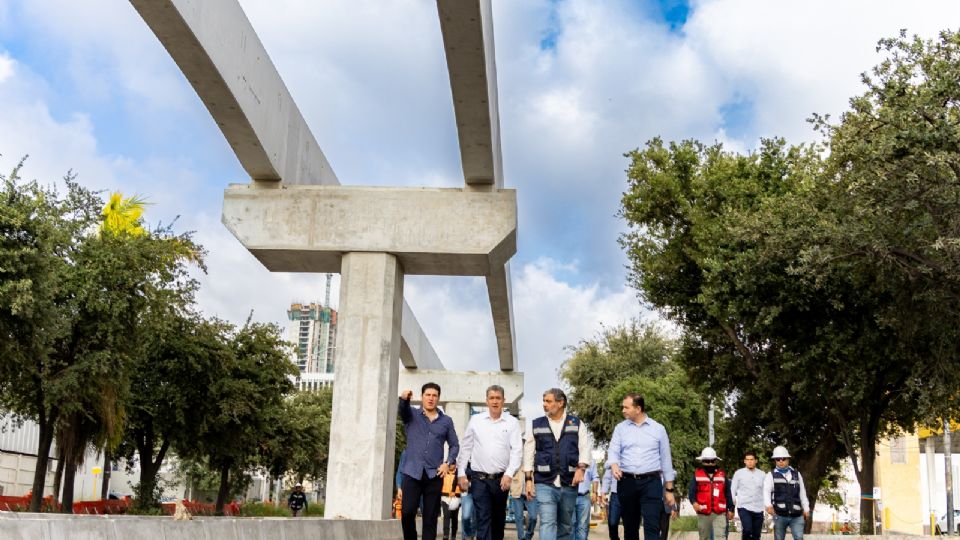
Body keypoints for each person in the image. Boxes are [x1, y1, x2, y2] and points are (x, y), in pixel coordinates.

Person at [523, 388, 593, 540]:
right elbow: (528, 452)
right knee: (547, 522)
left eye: (548, 401)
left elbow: (584, 447)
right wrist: (528, 480)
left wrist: (581, 469)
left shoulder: (576, 423)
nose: (544, 404)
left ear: (560, 403)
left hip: (569, 483)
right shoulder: (536, 424)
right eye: (544, 401)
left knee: (565, 526)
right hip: (544, 482)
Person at [606, 393, 677, 540]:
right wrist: (614, 465)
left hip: (651, 483)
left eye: (626, 407)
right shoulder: (620, 429)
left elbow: (666, 460)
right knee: (630, 529)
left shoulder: (658, 429)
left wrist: (669, 490)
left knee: (652, 527)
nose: (623, 410)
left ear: (638, 409)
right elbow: (613, 450)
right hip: (627, 482)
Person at [457, 385, 523, 540]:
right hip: (479, 480)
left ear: (503, 401)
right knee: (483, 519)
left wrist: (509, 474)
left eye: (498, 398)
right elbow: (466, 448)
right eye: (492, 398)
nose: (495, 401)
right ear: (486, 401)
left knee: (498, 522)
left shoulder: (512, 423)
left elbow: (517, 451)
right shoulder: (476, 420)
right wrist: (461, 473)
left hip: (501, 481)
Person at [399, 383, 460, 540]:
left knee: (430, 518)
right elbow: (403, 410)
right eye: (428, 395)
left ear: (438, 398)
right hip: (412, 472)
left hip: (434, 475)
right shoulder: (412, 415)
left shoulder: (446, 421)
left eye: (434, 395)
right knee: (407, 512)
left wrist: (448, 462)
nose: (431, 398)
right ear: (422, 396)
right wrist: (404, 399)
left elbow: (454, 445)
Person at [763, 446, 809, 540]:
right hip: (779, 515)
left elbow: (802, 493)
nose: (780, 461)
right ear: (775, 460)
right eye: (778, 459)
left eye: (783, 459)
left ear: (788, 459)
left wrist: (806, 509)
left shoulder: (797, 474)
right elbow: (766, 491)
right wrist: (768, 505)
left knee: (799, 538)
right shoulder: (770, 475)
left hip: (797, 515)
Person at [687, 447, 733, 540]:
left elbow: (728, 493)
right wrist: (694, 502)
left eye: (712, 461)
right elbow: (691, 492)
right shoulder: (697, 475)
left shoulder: (722, 475)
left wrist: (731, 509)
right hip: (703, 512)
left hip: (720, 513)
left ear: (716, 461)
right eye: (707, 461)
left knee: (721, 537)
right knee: (704, 537)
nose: (710, 464)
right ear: (702, 461)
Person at [731, 451, 766, 540]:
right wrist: (732, 502)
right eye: (747, 460)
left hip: (758, 508)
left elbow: (766, 490)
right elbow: (733, 489)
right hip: (744, 507)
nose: (750, 462)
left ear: (756, 461)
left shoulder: (762, 474)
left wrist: (768, 504)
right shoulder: (738, 473)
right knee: (747, 530)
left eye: (752, 459)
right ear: (744, 461)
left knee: (756, 535)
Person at [509, 469, 538, 540]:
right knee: (519, 517)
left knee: (533, 517)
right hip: (516, 490)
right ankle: (521, 538)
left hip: (532, 491)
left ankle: (528, 536)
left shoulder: (532, 458)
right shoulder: (516, 458)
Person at [574, 461, 599, 540]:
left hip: (584, 497)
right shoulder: (570, 454)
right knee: (570, 525)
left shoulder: (590, 460)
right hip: (569, 496)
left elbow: (595, 477)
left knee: (582, 526)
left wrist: (595, 492)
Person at [600, 466, 621, 540]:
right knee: (612, 523)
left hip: (630, 494)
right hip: (615, 494)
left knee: (630, 526)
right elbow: (607, 478)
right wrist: (603, 492)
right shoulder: (613, 458)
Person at [442, 467, 463, 540]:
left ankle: (453, 535)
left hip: (456, 498)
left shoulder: (459, 473)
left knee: (454, 517)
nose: (451, 465)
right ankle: (446, 535)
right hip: (445, 498)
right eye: (450, 464)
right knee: (446, 516)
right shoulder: (444, 472)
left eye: (452, 464)